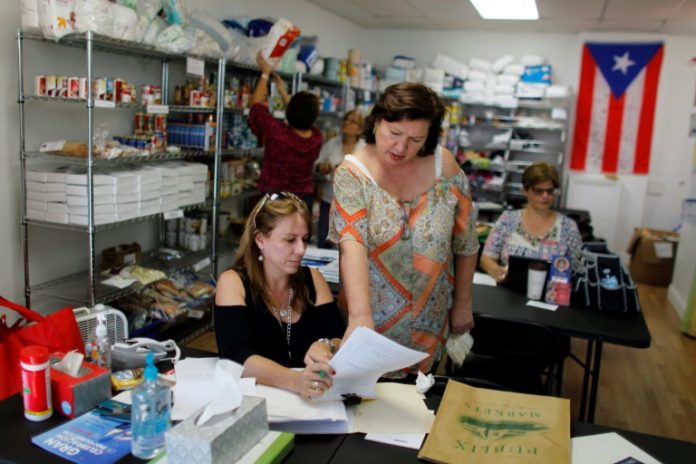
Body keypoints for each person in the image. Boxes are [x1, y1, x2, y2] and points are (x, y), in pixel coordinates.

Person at [328, 82, 479, 377]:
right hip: (370, 323)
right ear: (376, 122)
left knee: (421, 409)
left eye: (415, 139)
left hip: (431, 321)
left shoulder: (443, 167)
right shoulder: (353, 174)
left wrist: (463, 304)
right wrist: (360, 317)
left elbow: (467, 241)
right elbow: (352, 243)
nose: (400, 148)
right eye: (394, 134)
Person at [214, 192, 345, 398]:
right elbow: (237, 357)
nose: (301, 249)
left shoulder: (313, 279)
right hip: (258, 403)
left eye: (304, 239)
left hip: (315, 402)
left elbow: (339, 336)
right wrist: (295, 381)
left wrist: (327, 345)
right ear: (260, 239)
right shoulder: (233, 282)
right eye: (290, 240)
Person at [480, 162, 583, 283]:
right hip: (509, 292)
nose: (545, 196)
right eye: (539, 191)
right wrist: (496, 270)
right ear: (525, 190)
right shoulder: (508, 220)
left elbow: (577, 270)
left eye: (550, 191)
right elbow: (487, 258)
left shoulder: (568, 227)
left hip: (549, 296)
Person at [249, 52, 323, 213]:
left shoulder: (277, 132)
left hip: (275, 200)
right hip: (302, 201)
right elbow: (299, 115)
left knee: (273, 237)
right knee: (297, 238)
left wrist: (265, 73)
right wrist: (283, 92)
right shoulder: (316, 138)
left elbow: (256, 105)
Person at [314, 110, 365, 248]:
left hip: (355, 205)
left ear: (360, 129)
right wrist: (322, 166)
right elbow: (316, 165)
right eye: (346, 119)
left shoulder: (365, 149)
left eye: (352, 121)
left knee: (350, 246)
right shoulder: (332, 143)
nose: (347, 122)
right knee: (324, 243)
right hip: (329, 202)